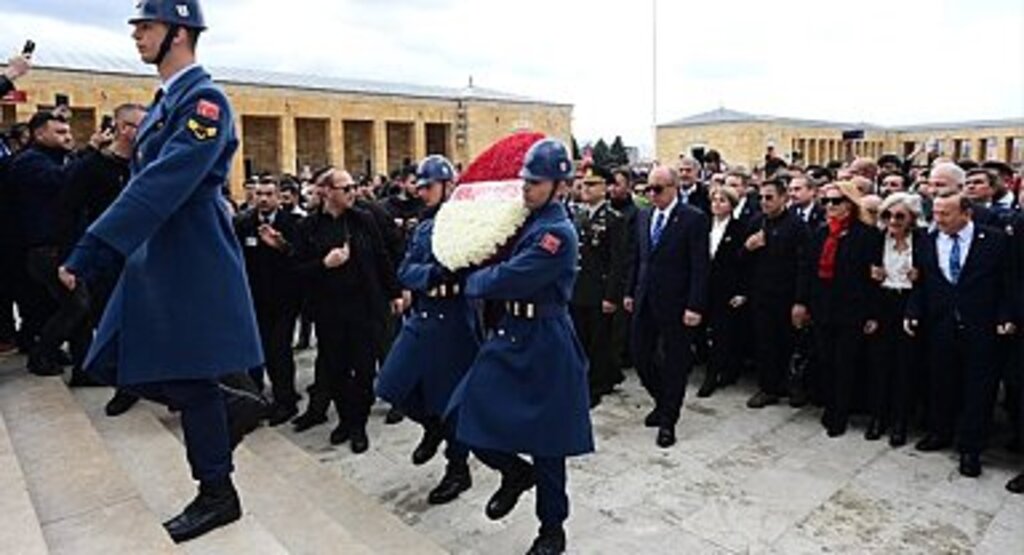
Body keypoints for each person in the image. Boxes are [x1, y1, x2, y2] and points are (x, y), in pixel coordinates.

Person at [59, 0, 266, 543]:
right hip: (157, 253)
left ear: (180, 33)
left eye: (146, 27)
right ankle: (228, 408)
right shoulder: (163, 103)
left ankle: (217, 492)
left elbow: (163, 183)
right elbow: (141, 183)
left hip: (190, 254)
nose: (137, 36)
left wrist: (93, 246)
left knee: (182, 377)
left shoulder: (205, 102)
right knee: (112, 362)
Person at [446, 138, 593, 555]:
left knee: (548, 445)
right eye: (525, 180)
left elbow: (509, 276)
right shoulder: (526, 219)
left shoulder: (556, 234)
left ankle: (552, 530)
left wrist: (469, 282)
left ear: (559, 184)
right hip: (511, 333)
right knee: (461, 413)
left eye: (535, 182)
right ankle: (513, 473)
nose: (526, 188)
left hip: (546, 340)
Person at [377, 154, 479, 506]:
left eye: (428, 186)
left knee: (452, 404)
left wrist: (445, 274)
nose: (421, 193)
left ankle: (458, 468)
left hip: (453, 320)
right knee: (390, 385)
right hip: (423, 315)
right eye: (419, 187)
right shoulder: (422, 227)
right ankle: (431, 426)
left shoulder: (468, 224)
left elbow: (473, 269)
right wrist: (432, 275)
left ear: (449, 186)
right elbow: (405, 271)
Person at [905, 191, 1016, 478]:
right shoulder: (927, 241)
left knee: (978, 391)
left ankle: (971, 448)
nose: (938, 219)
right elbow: (922, 283)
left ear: (966, 213)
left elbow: (1008, 283)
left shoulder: (995, 240)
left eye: (946, 214)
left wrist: (1006, 316)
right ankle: (940, 432)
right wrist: (913, 312)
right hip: (941, 326)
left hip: (982, 328)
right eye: (936, 213)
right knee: (942, 382)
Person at [291, 168, 402, 451]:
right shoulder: (309, 228)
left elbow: (381, 258)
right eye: (346, 188)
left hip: (364, 308)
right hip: (329, 311)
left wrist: (395, 293)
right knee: (336, 370)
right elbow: (296, 269)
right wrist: (323, 264)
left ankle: (359, 425)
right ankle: (345, 420)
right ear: (327, 191)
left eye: (354, 187)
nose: (354, 192)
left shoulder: (363, 220)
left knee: (364, 371)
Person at [56, 103, 147, 416]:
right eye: (138, 125)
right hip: (106, 257)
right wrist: (74, 258)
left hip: (144, 255)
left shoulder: (148, 164)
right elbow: (69, 212)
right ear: (123, 128)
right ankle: (120, 382)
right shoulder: (91, 167)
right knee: (108, 319)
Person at [624, 165, 710, 447]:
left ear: (673, 188)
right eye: (648, 189)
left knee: (674, 362)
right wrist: (629, 291)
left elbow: (700, 266)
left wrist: (695, 305)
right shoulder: (644, 215)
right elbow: (637, 257)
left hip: (677, 302)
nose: (652, 194)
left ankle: (669, 420)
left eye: (657, 189)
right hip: (645, 297)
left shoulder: (693, 219)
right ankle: (663, 401)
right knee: (640, 355)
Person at [799, 182, 882, 437]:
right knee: (826, 359)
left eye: (837, 201)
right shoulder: (821, 233)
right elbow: (807, 270)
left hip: (852, 309)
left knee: (845, 362)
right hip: (823, 307)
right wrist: (802, 302)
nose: (831, 207)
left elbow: (873, 280)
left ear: (850, 203)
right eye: (827, 202)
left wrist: (872, 313)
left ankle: (840, 411)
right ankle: (829, 403)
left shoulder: (867, 235)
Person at [233, 176, 303, 426]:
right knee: (257, 350)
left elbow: (301, 258)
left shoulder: (293, 223)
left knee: (279, 350)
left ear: (278, 196)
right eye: (259, 193)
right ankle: (256, 399)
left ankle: (286, 401)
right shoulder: (242, 223)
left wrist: (282, 246)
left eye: (269, 194)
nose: (263, 199)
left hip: (284, 300)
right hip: (254, 299)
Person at [743, 178, 809, 408]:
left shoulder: (796, 225)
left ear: (783, 198)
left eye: (769, 197)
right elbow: (739, 261)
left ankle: (793, 387)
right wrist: (748, 248)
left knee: (791, 344)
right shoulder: (756, 222)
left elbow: (804, 265)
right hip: (761, 294)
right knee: (764, 343)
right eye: (761, 197)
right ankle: (768, 388)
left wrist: (800, 301)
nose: (764, 202)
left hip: (788, 295)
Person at [867, 192, 924, 446]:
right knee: (880, 364)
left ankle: (900, 421)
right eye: (887, 215)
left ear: (912, 218)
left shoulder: (922, 241)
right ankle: (878, 416)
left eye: (899, 215)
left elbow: (931, 278)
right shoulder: (877, 240)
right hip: (883, 303)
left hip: (909, 304)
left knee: (906, 366)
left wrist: (920, 277)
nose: (893, 220)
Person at [569, 167, 628, 407]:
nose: (586, 188)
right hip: (578, 288)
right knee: (580, 338)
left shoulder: (614, 219)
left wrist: (611, 295)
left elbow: (618, 261)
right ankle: (587, 379)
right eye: (584, 184)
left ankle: (597, 385)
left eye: (593, 184)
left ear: (605, 188)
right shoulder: (578, 216)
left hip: (599, 289)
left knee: (599, 340)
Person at [699, 186, 748, 398]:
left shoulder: (739, 228)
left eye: (722, 201)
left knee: (722, 333)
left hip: (727, 289)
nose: (717, 204)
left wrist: (743, 291)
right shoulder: (703, 226)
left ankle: (716, 374)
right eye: (714, 200)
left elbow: (745, 263)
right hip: (705, 286)